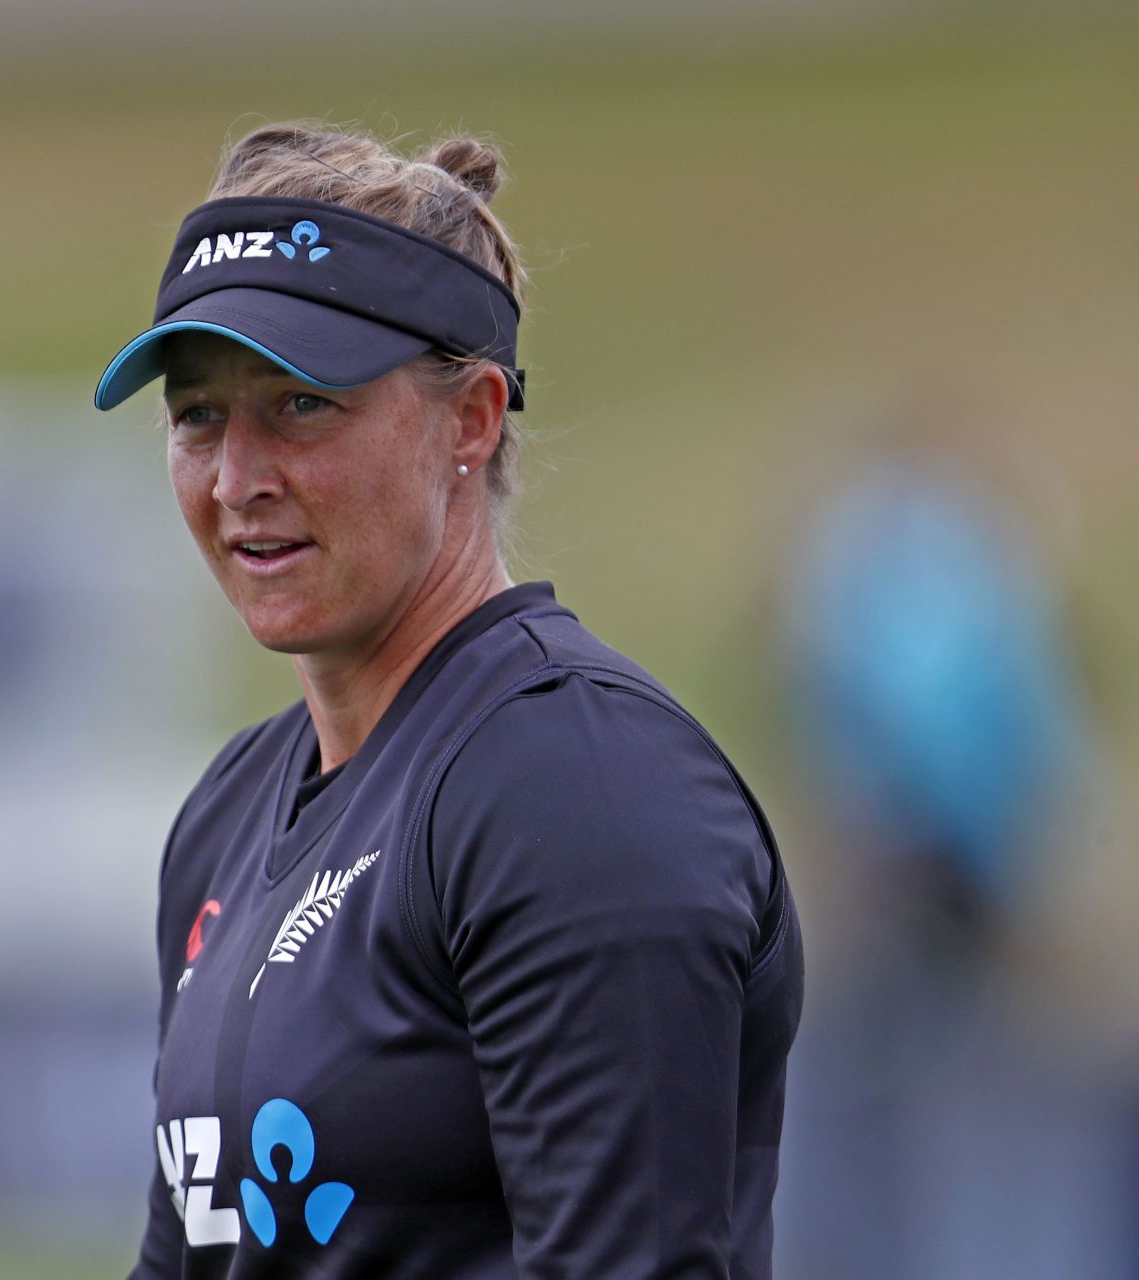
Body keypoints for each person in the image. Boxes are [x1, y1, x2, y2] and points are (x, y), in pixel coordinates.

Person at [92, 122, 802, 1278]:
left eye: (301, 405)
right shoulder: (229, 813)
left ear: (470, 418)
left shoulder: (575, 787)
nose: (238, 478)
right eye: (197, 415)